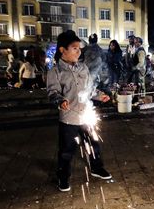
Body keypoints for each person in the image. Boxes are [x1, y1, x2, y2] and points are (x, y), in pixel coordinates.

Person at [47, 30, 112, 192]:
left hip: (86, 114)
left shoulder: (83, 68)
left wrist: (100, 96)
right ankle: (63, 176)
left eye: (79, 48)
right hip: (69, 118)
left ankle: (96, 168)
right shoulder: (55, 72)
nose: (79, 51)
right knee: (66, 150)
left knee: (93, 143)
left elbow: (90, 90)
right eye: (75, 48)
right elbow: (53, 92)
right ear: (63, 50)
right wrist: (60, 101)